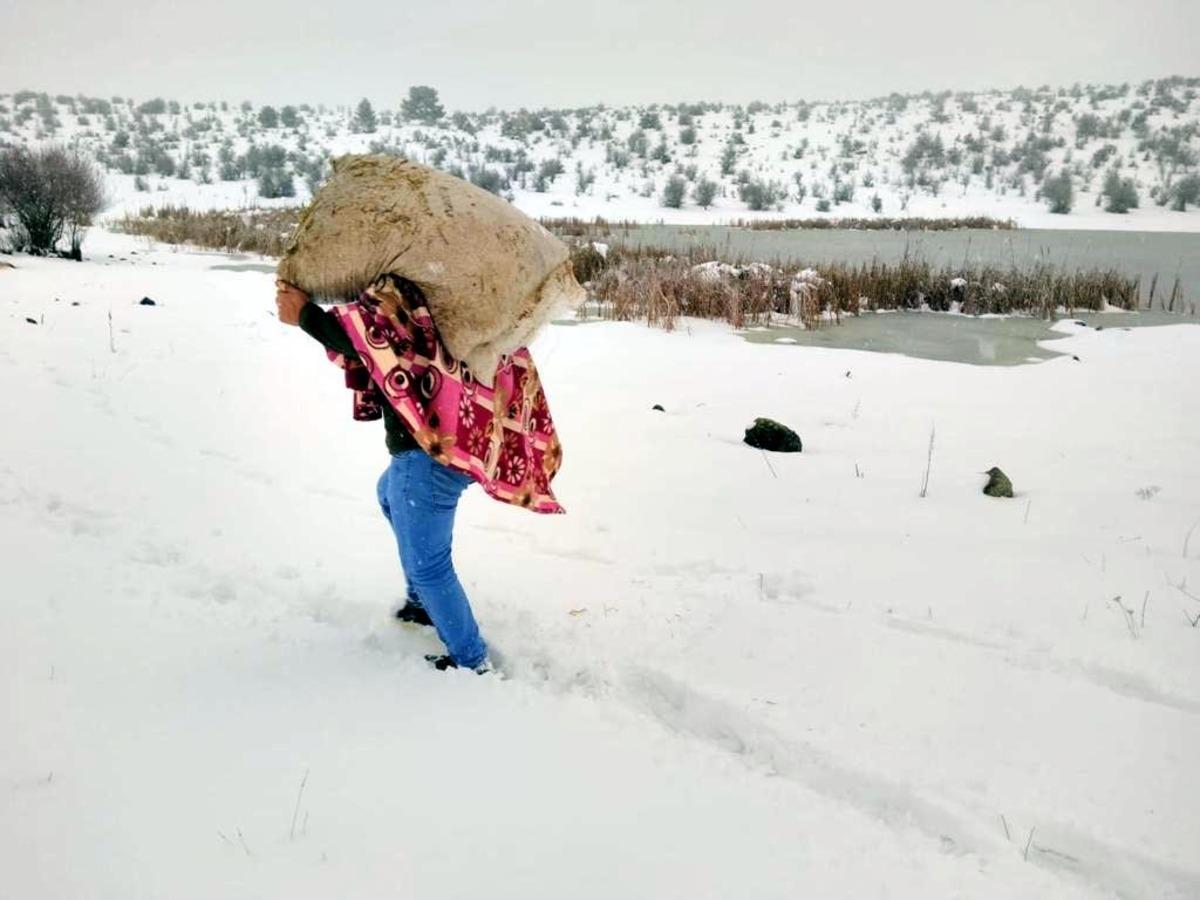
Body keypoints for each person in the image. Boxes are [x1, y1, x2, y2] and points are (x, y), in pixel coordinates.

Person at [275, 279, 491, 674]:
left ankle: (470, 659)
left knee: (429, 565)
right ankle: (423, 603)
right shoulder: (439, 287)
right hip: (455, 437)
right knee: (389, 494)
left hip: (426, 454)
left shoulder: (400, 289)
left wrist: (306, 315)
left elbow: (369, 342)